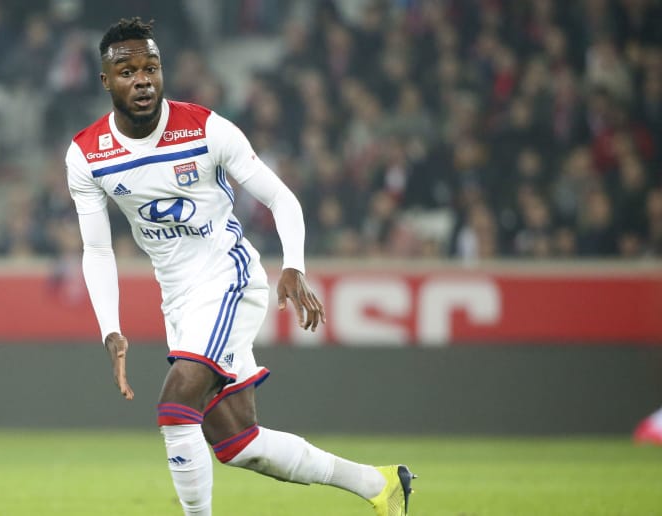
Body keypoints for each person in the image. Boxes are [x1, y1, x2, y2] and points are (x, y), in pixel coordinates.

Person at [65, 18, 415, 515]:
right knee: (238, 442)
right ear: (106, 80)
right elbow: (97, 250)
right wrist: (110, 328)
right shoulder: (86, 154)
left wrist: (293, 266)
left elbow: (281, 198)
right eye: (127, 72)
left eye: (151, 68)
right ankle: (380, 484)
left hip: (228, 277)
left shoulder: (206, 129)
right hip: (179, 298)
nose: (142, 80)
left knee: (175, 407)